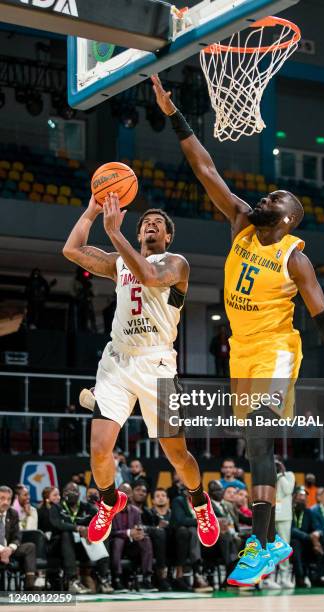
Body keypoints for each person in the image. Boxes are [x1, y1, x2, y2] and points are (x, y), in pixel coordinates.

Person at [152, 73, 324, 587]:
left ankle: (264, 539)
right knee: (253, 448)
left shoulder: (294, 258)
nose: (269, 195)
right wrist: (175, 115)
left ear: (290, 219)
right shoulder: (241, 223)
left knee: (256, 435)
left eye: (279, 196)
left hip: (276, 348)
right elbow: (204, 167)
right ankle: (267, 539)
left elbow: (322, 312)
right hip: (241, 351)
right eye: (271, 191)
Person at [63, 193, 219, 548]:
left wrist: (115, 233)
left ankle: (200, 502)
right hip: (118, 361)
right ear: (138, 235)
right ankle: (108, 500)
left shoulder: (176, 263)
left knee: (176, 452)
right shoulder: (119, 262)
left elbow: (149, 276)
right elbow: (72, 250)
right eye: (145, 223)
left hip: (157, 365)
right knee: (100, 449)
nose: (151, 225)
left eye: (158, 224)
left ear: (167, 237)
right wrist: (91, 212)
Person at [48, 482, 112, 594]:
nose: (72, 493)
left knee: (103, 536)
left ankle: (103, 578)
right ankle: (73, 580)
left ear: (79, 494)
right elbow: (57, 524)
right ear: (63, 494)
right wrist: (78, 528)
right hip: (59, 548)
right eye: (68, 491)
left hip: (81, 548)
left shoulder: (87, 508)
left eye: (75, 491)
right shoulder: (56, 507)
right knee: (66, 534)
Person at [111, 483, 155, 592]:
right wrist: (128, 532)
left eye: (128, 493)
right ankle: (117, 578)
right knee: (118, 541)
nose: (126, 495)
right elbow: (110, 532)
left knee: (145, 539)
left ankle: (146, 578)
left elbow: (138, 527)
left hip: (131, 545)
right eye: (123, 493)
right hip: (114, 544)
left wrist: (139, 533)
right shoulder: (110, 510)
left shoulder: (135, 511)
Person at [170, 486, 213, 593]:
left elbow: (210, 517)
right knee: (192, 531)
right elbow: (180, 520)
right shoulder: (178, 501)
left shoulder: (202, 502)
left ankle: (199, 573)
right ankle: (197, 572)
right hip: (180, 537)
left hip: (199, 535)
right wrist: (200, 521)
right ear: (185, 491)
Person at [0, 485, 37, 590]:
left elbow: (17, 536)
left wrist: (10, 549)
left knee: (30, 547)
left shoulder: (13, 513)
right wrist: (2, 550)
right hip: (1, 549)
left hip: (9, 550)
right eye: (2, 498)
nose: (6, 502)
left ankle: (30, 585)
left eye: (8, 499)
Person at [290, 486, 324, 588]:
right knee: (295, 543)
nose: (303, 498)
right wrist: (308, 536)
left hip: (308, 541)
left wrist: (317, 533)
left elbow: (317, 527)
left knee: (323, 541)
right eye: (300, 495)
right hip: (293, 541)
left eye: (305, 496)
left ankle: (317, 577)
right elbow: (290, 530)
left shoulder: (309, 512)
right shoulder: (288, 511)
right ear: (294, 497)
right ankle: (300, 578)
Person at [274, 458, 295, 588]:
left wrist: (281, 475)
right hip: (270, 515)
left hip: (284, 516)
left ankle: (284, 576)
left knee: (283, 547)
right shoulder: (266, 475)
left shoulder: (289, 475)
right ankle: (269, 577)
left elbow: (288, 491)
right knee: (269, 546)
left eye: (277, 463)